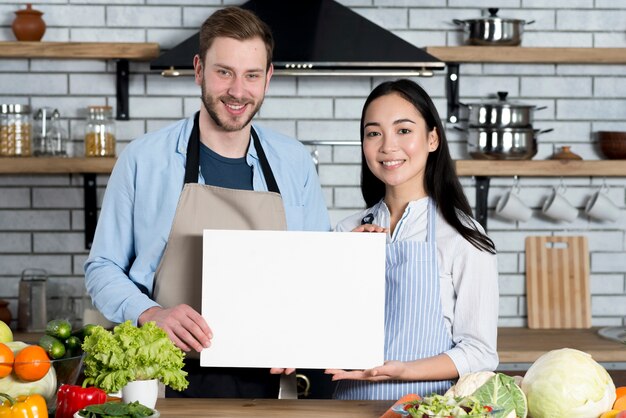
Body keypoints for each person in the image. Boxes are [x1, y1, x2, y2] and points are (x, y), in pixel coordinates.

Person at [84, 6, 330, 398]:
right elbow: (101, 268)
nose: (237, 90)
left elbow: (319, 269)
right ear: (199, 70)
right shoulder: (143, 159)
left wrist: (303, 332)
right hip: (160, 373)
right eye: (224, 72)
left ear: (268, 78)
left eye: (251, 75)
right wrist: (150, 313)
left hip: (270, 382)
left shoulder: (294, 161)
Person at [326, 79, 498, 400]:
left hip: (427, 406)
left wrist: (406, 370)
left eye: (403, 130)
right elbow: (322, 331)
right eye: (373, 133)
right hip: (349, 406)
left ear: (432, 138)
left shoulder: (463, 236)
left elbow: (480, 352)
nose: (388, 146)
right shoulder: (344, 232)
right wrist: (340, 260)